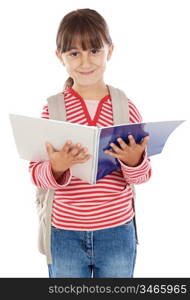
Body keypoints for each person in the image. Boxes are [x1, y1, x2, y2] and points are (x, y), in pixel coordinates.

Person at [29, 8, 152, 278]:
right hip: (64, 233)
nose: (85, 62)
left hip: (118, 232)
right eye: (74, 53)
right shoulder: (52, 110)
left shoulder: (126, 108)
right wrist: (57, 168)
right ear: (59, 56)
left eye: (94, 50)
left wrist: (134, 161)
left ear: (110, 50)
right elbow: (36, 173)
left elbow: (142, 176)